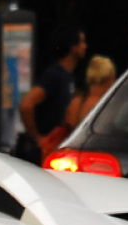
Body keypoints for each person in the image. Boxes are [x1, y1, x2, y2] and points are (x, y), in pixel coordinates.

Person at [18, 24, 88, 161]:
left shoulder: (68, 76)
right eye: (82, 42)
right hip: (43, 153)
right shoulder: (55, 75)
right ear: (72, 47)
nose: (85, 46)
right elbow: (26, 105)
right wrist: (37, 138)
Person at [64, 55, 117, 128]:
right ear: (107, 79)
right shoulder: (100, 105)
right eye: (113, 78)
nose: (114, 82)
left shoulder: (77, 102)